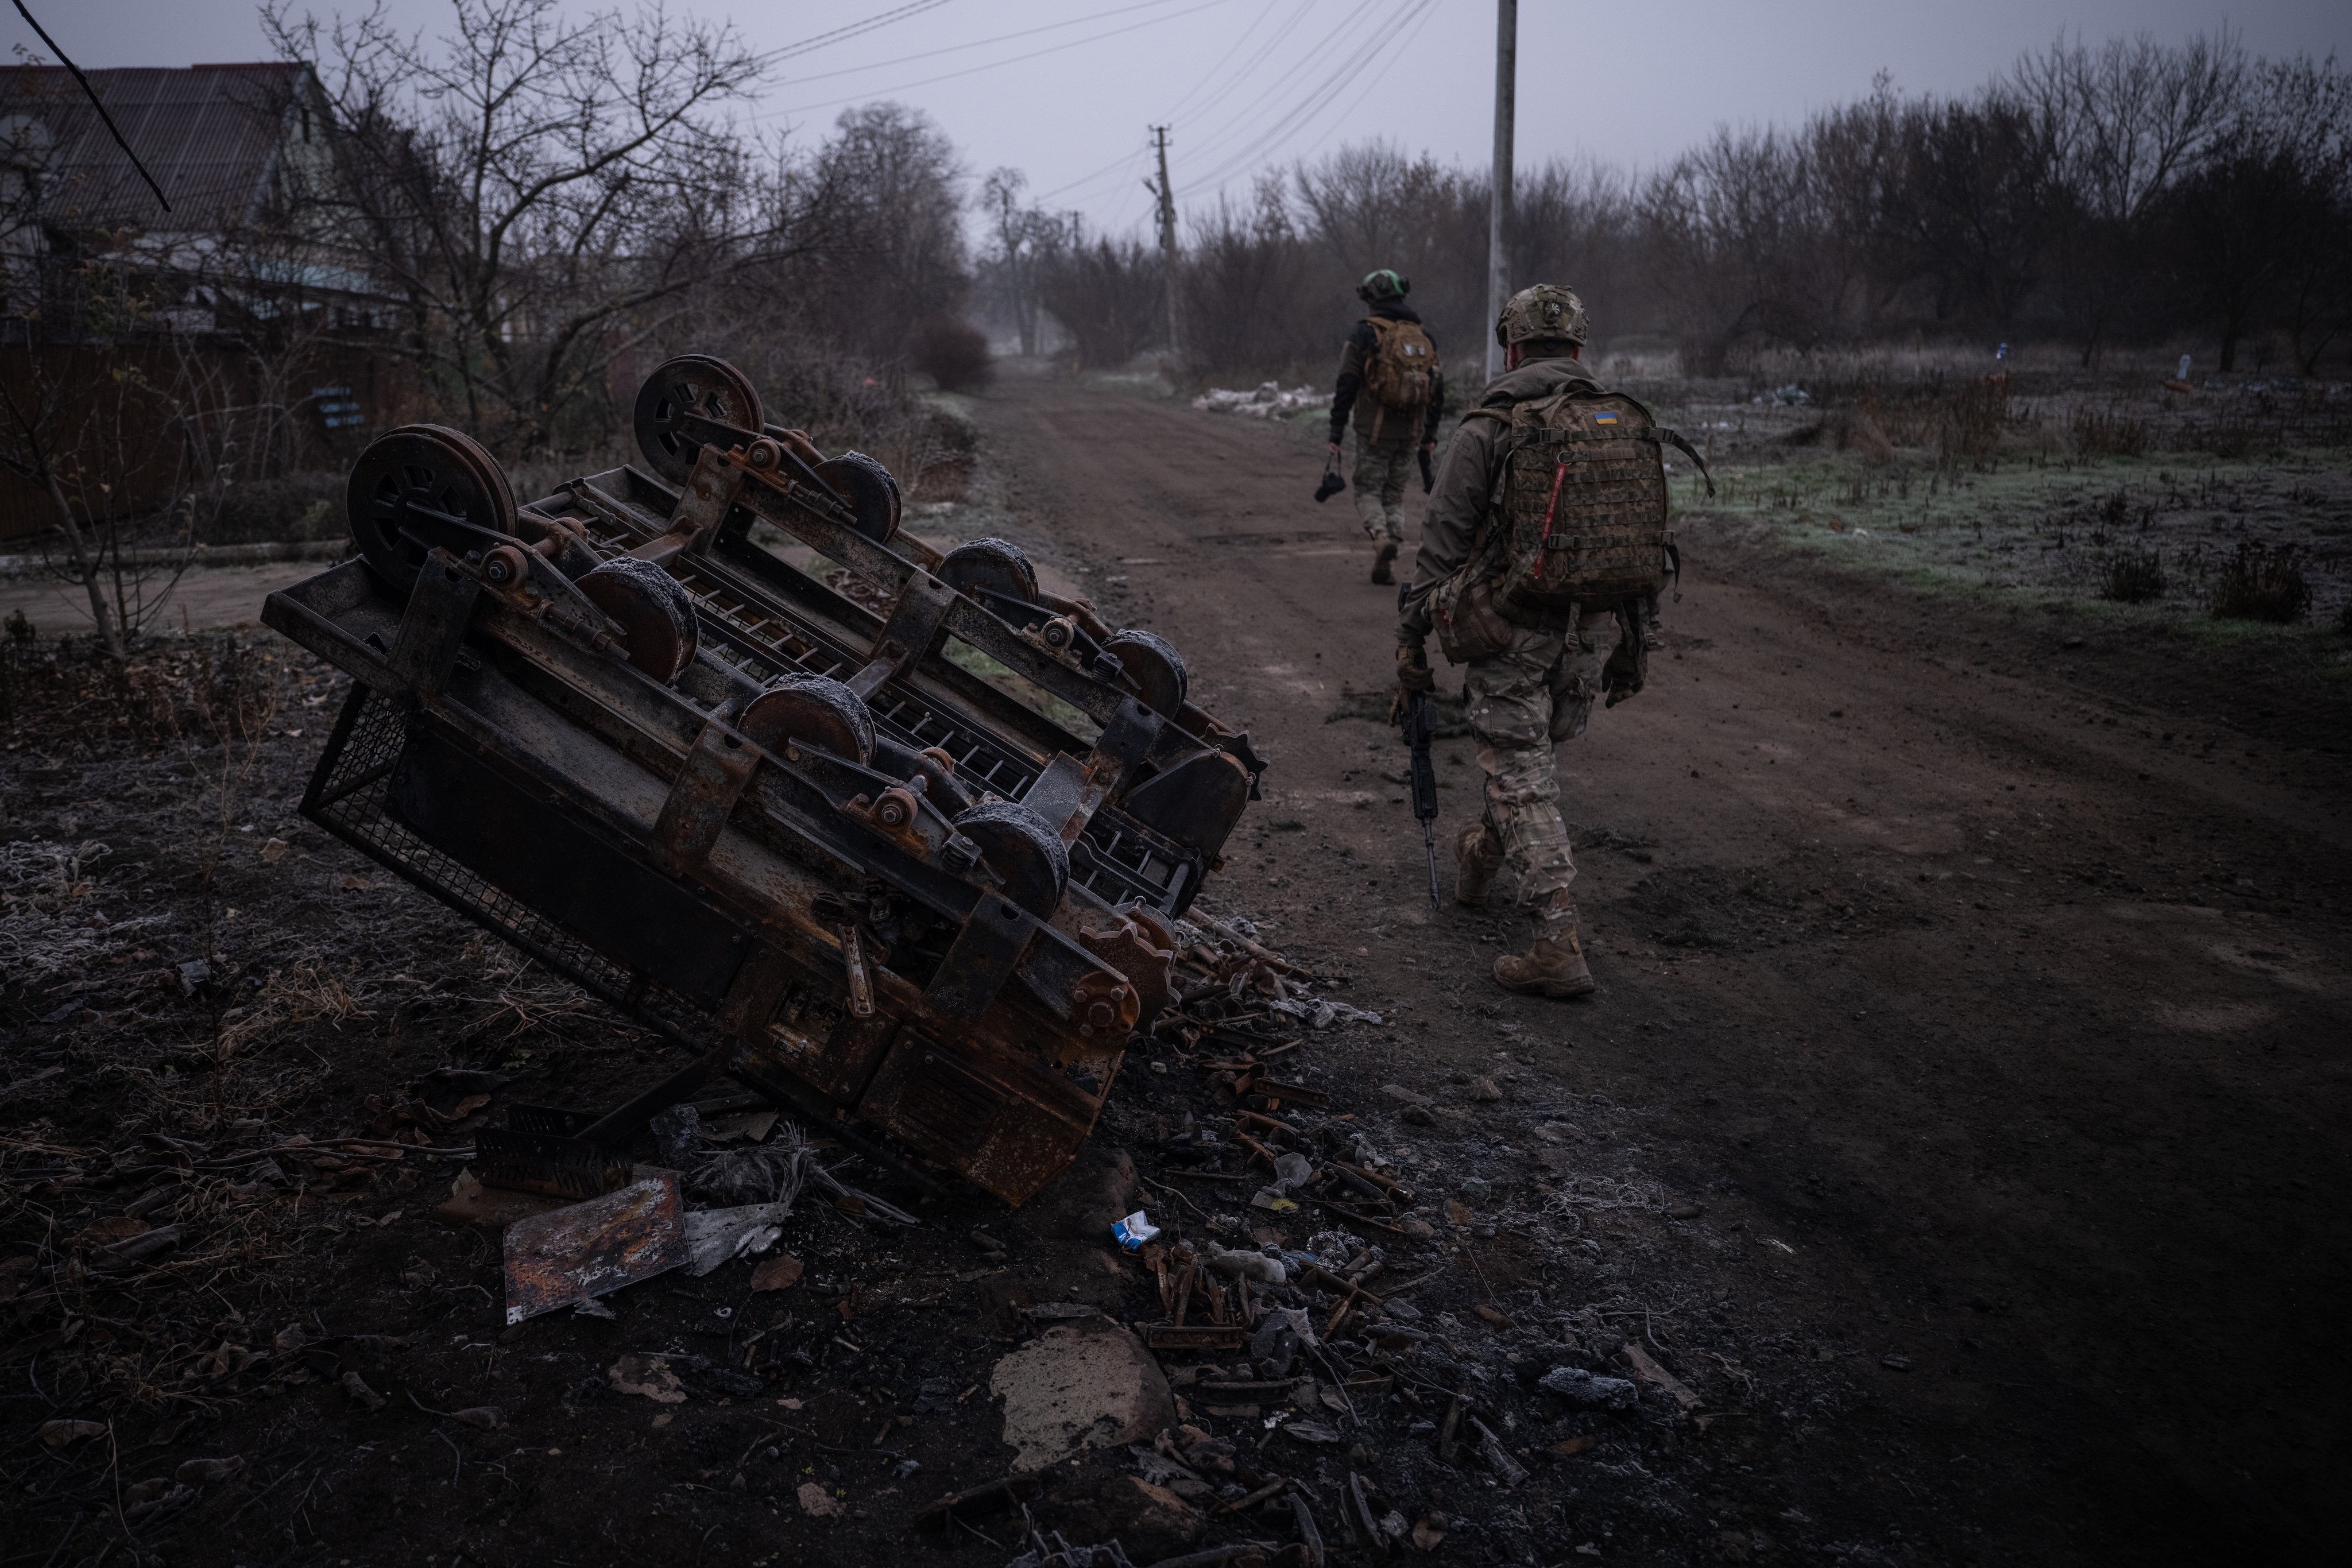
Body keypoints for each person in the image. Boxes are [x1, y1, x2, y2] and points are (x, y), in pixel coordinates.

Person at [1391, 282, 1625, 999]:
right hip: (1592, 632)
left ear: (1511, 348)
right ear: (1580, 348)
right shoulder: (1616, 418)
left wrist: (1411, 637)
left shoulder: (1488, 425)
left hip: (1510, 629)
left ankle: (1556, 942)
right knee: (1528, 762)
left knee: (1522, 775)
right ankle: (1481, 855)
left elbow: (1442, 543)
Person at [1327, 269, 1444, 584]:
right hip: (1412, 432)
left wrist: (1336, 431)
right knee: (1394, 493)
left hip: (1374, 431)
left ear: (1370, 300)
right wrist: (1430, 436)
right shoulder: (1423, 337)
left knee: (1367, 489)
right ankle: (1390, 561)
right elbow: (1438, 389)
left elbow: (1346, 384)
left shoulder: (1363, 334)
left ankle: (1380, 539)